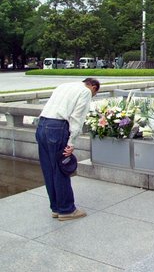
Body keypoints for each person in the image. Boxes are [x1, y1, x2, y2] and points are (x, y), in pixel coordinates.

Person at [35, 78, 100, 221]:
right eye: (94, 94)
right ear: (93, 87)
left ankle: (56, 208)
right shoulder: (85, 92)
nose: (92, 96)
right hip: (57, 128)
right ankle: (66, 210)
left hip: (42, 125)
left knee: (48, 169)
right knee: (61, 168)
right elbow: (77, 118)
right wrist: (71, 143)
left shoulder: (63, 86)